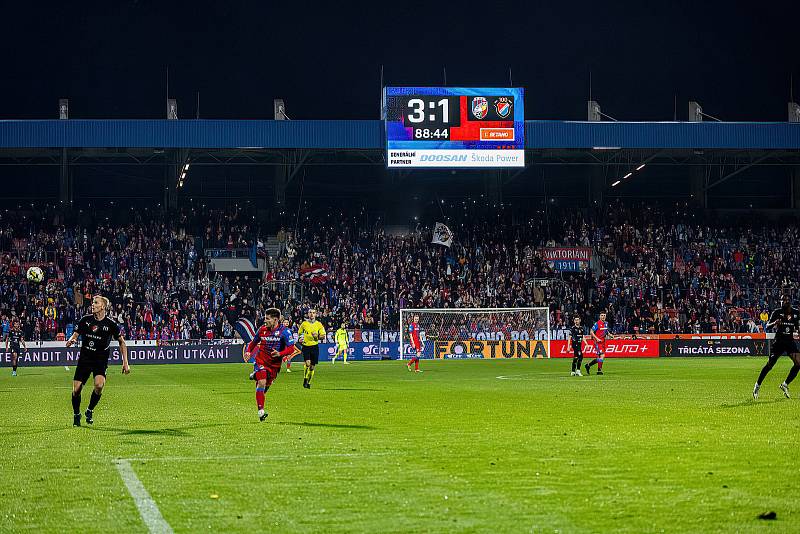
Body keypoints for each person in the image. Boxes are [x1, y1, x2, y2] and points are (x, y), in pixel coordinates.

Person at [66, 295, 130, 427]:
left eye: (96, 302)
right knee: (76, 390)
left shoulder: (111, 324)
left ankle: (89, 410)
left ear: (103, 306)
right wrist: (71, 339)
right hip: (85, 359)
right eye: (92, 302)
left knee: (99, 386)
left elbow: (122, 343)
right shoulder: (85, 320)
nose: (93, 305)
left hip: (100, 360)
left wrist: (125, 363)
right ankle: (77, 414)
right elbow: (76, 334)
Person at [245, 308, 295, 421]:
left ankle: (255, 375)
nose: (265, 320)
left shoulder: (285, 332)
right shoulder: (262, 329)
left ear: (275, 319)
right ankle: (261, 411)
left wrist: (280, 353)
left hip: (274, 365)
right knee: (261, 382)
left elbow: (291, 348)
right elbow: (253, 342)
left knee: (264, 388)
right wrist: (248, 351)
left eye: (267, 318)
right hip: (261, 360)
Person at [753, 295, 800, 399]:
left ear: (790, 302)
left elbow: (797, 327)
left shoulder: (796, 313)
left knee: (798, 363)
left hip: (790, 342)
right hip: (779, 342)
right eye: (782, 300)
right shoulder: (777, 312)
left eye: (786, 300)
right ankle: (757, 386)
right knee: (770, 365)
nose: (784, 302)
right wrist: (775, 323)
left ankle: (785, 384)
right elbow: (767, 326)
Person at [297, 309, 325, 388]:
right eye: (310, 313)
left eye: (313, 313)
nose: (312, 314)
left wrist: (317, 336)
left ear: (316, 314)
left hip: (314, 347)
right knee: (307, 363)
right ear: (308, 314)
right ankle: (305, 379)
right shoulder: (304, 324)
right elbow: (300, 333)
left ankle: (308, 382)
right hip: (306, 346)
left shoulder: (319, 324)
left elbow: (323, 336)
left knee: (312, 367)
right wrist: (300, 338)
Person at [585, 311, 613, 375]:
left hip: (603, 342)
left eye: (604, 315)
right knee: (602, 356)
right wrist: (597, 338)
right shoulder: (597, 323)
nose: (603, 317)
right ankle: (593, 367)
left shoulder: (606, 323)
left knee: (599, 357)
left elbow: (606, 331)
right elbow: (591, 332)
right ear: (599, 316)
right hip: (597, 342)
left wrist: (610, 335)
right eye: (602, 315)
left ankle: (596, 369)